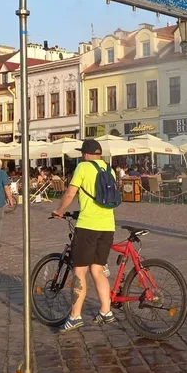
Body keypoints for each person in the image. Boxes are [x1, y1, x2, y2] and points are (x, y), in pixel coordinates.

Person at [52, 139, 117, 332]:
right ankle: (106, 310)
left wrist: (59, 211)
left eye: (82, 153)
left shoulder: (83, 167)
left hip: (88, 226)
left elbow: (71, 194)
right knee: (97, 269)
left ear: (86, 154)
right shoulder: (109, 169)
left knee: (80, 271)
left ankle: (75, 316)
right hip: (108, 226)